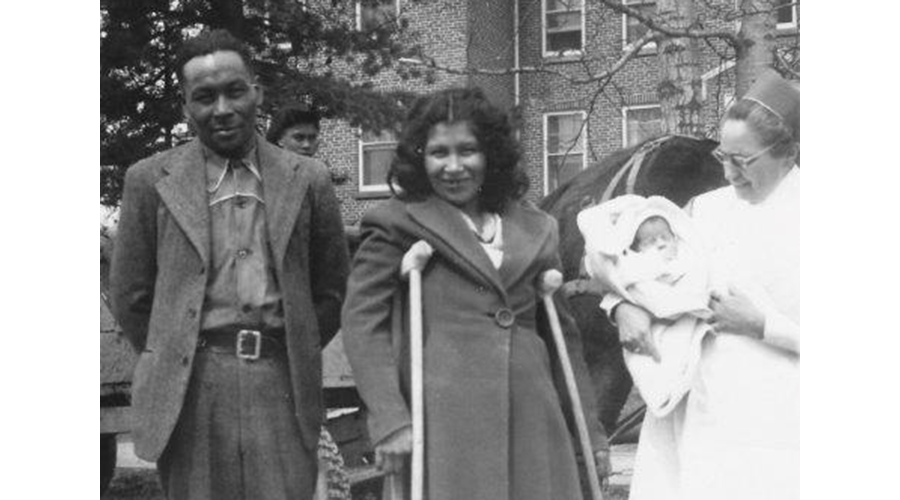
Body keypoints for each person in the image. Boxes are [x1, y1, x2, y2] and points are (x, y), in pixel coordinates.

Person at [110, 29, 350, 500]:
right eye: (204, 97)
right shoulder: (149, 181)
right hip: (191, 390)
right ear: (185, 106)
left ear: (256, 93)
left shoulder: (308, 178)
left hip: (279, 383)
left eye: (234, 92)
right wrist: (177, 348)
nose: (222, 109)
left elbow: (331, 290)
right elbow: (131, 297)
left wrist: (288, 347)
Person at [341, 87, 610, 500]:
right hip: (446, 424)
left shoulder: (535, 227)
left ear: (490, 154)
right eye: (439, 153)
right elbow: (363, 322)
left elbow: (564, 344)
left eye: (467, 150)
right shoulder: (396, 223)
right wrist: (390, 420)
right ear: (420, 157)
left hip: (533, 418)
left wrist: (588, 432)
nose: (453, 167)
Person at [604, 69, 800, 500]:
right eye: (723, 157)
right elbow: (638, 268)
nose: (728, 174)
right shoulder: (704, 210)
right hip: (698, 412)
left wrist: (763, 325)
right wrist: (622, 306)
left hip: (781, 420)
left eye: (742, 161)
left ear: (788, 154)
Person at [267, 103, 352, 500]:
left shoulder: (317, 185)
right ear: (277, 141)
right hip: (261, 322)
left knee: (307, 437)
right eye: (297, 138)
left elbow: (332, 274)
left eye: (312, 138)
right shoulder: (261, 186)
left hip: (299, 329)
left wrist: (308, 336)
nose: (306, 145)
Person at [577, 195, 712, 417]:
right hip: (658, 324)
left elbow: (697, 278)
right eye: (650, 242)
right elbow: (624, 279)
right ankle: (664, 388)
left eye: (665, 238)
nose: (660, 244)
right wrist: (623, 303)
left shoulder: (688, 258)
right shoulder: (639, 263)